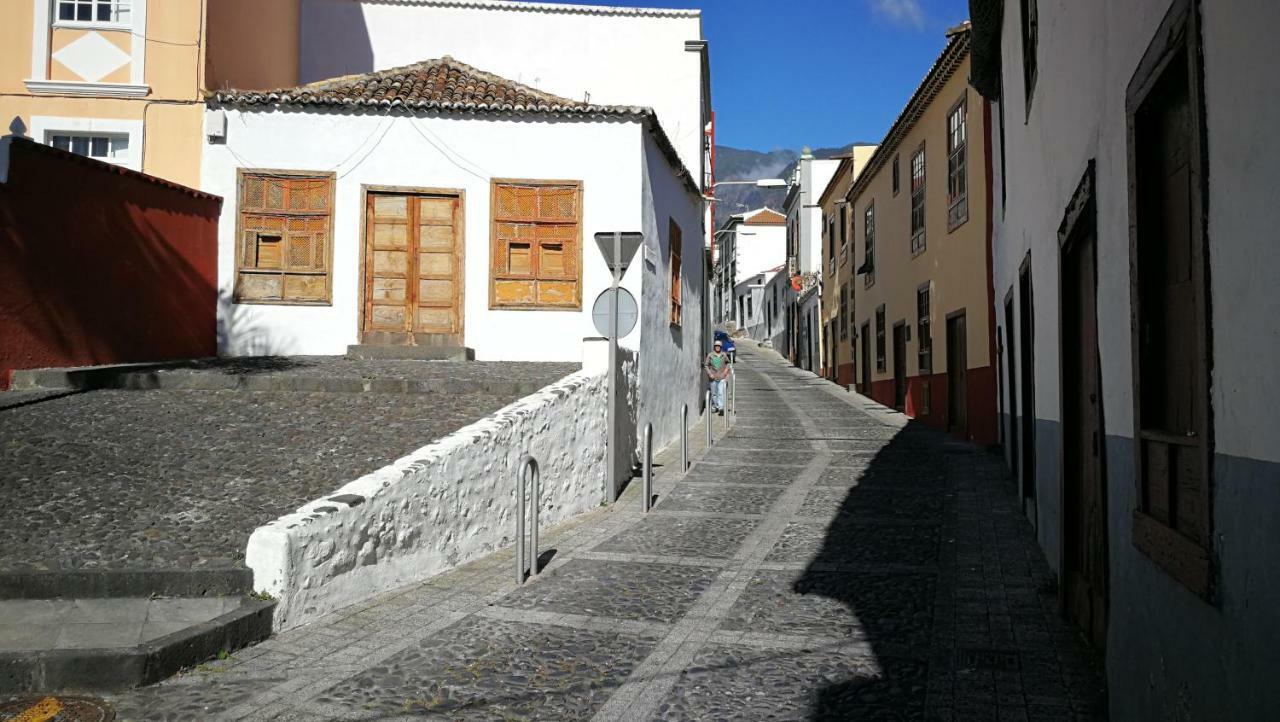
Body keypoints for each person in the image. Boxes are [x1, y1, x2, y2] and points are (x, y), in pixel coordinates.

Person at [704, 340, 731, 415]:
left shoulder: (724, 355)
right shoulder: (710, 355)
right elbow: (706, 365)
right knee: (714, 393)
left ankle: (721, 407)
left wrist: (726, 370)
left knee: (720, 392)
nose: (717, 347)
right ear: (714, 347)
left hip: (722, 377)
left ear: (721, 347)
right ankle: (714, 406)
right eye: (716, 346)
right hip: (713, 377)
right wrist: (710, 374)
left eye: (719, 346)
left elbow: (728, 363)